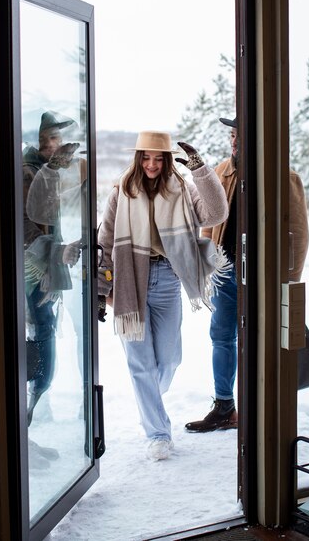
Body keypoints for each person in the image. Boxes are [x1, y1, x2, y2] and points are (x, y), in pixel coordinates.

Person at [97, 130, 229, 461]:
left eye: (158, 158)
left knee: (169, 359)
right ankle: (158, 433)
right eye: (146, 156)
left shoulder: (181, 189)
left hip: (168, 277)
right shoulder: (121, 192)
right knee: (140, 362)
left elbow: (216, 213)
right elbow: (105, 241)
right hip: (130, 279)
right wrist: (101, 290)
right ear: (138, 157)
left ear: (167, 160)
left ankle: (149, 397)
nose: (152, 164)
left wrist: (199, 167)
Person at [185, 116, 309, 433]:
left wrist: (288, 280)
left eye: (241, 135)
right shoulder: (222, 172)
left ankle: (265, 408)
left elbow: (298, 233)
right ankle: (225, 407)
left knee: (263, 342)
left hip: (265, 278)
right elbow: (210, 224)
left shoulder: (283, 175)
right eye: (232, 135)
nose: (235, 141)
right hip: (226, 273)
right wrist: (206, 263)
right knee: (222, 337)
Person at [23, 110, 82, 426]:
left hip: (42, 266)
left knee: (42, 332)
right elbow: (24, 226)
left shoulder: (41, 169)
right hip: (32, 269)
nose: (52, 144)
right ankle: (29, 417)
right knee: (38, 334)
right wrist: (58, 252)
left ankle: (32, 421)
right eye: (45, 138)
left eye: (55, 137)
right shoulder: (27, 171)